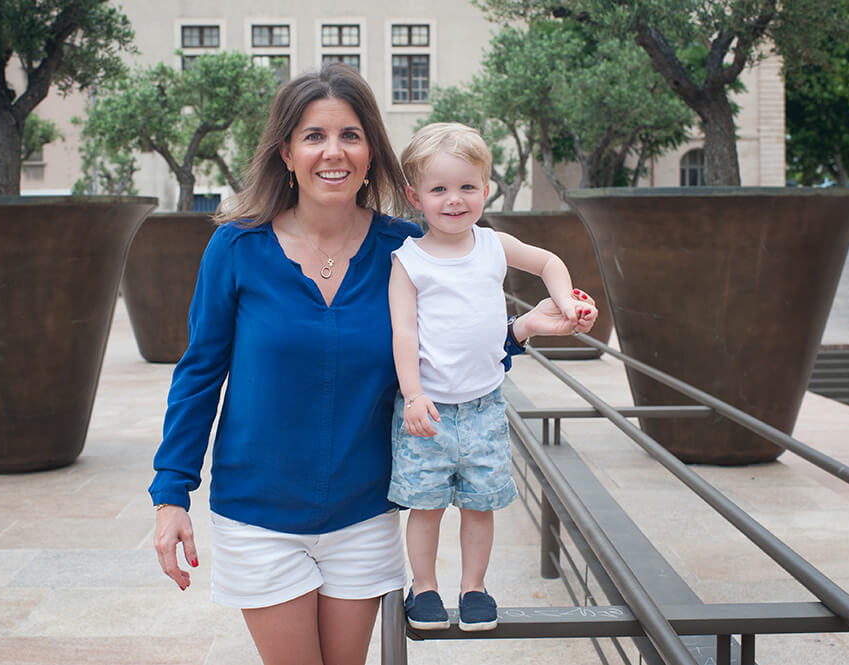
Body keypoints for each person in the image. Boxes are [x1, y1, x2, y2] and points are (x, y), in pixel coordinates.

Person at [148, 64, 595, 665]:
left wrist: (521, 331)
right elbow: (199, 374)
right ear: (286, 152)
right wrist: (171, 494)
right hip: (260, 514)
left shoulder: (405, 249)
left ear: (371, 152)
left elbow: (448, 354)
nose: (333, 152)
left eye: (350, 135)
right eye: (314, 136)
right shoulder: (236, 246)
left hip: (365, 514)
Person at [388, 122, 597, 632]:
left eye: (467, 187)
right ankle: (426, 588)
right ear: (416, 196)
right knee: (427, 504)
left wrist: (566, 299)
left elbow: (548, 261)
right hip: (429, 410)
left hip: (484, 405)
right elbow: (403, 333)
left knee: (481, 505)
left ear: (486, 188)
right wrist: (412, 395)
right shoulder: (408, 261)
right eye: (439, 189)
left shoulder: (494, 245)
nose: (454, 200)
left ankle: (474, 587)